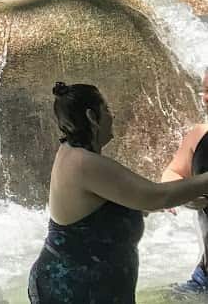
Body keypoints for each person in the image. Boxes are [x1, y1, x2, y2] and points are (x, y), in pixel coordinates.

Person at [28, 82, 208, 303]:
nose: (112, 117)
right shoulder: (83, 164)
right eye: (107, 111)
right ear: (92, 117)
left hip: (88, 287)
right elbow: (156, 197)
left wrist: (180, 199)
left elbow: (135, 201)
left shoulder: (77, 157)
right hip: (71, 290)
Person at [161, 70, 208, 294]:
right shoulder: (199, 134)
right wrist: (183, 195)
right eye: (205, 91)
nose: (205, 98)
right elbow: (171, 172)